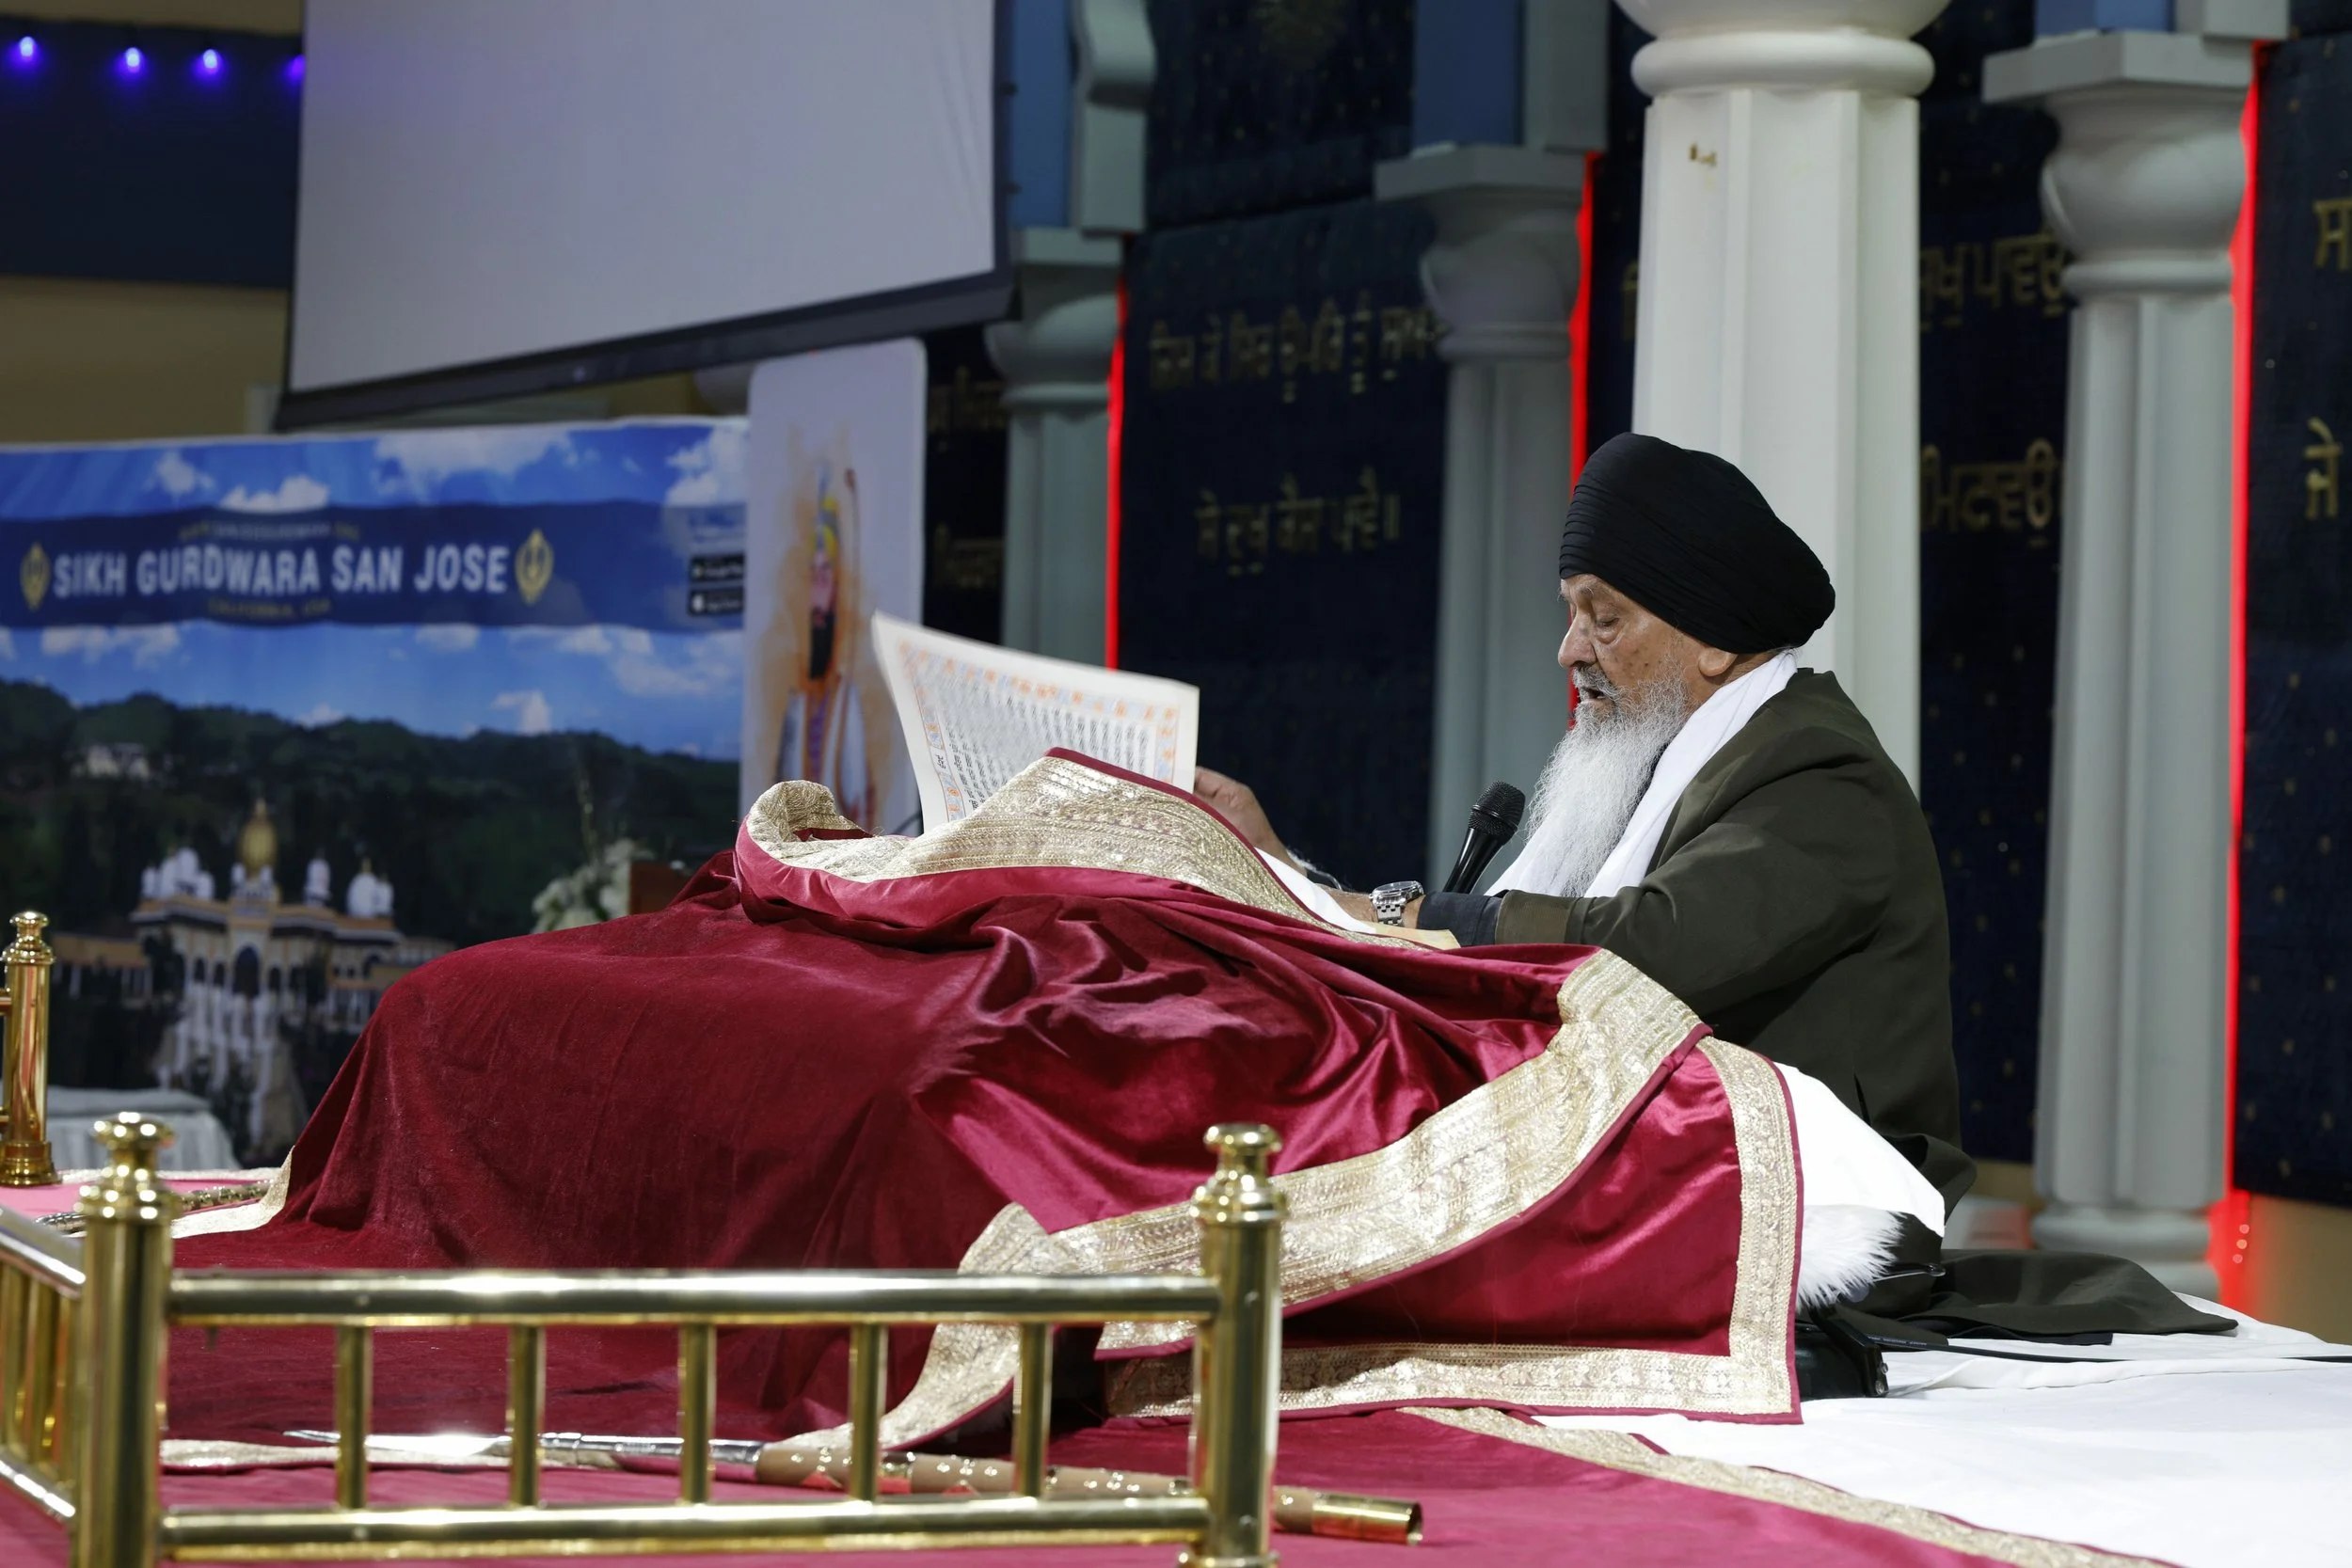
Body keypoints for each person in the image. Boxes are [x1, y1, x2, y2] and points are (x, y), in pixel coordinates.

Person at [1196, 432, 1971, 1210]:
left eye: (1604, 618)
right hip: (1685, 1181)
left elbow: (1642, 950)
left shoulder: (1822, 773)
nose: (1570, 650)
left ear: (1712, 640)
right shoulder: (1666, 761)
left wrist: (1394, 912)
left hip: (1810, 1207)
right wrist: (1291, 882)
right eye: (1572, 614)